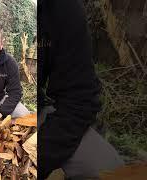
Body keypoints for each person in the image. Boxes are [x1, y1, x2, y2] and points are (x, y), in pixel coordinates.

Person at [39, 0, 124, 179]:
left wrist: (34, 155)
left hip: (32, 117)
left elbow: (79, 100)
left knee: (107, 167)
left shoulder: (63, 8)